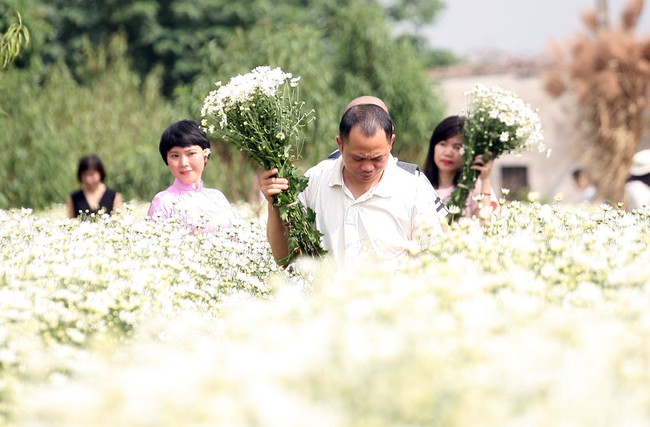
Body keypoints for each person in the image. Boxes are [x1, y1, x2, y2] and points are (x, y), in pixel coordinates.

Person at [259, 98, 448, 268]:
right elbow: (285, 258)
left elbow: (432, 261)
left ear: (391, 142)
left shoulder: (412, 189)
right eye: (358, 158)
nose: (367, 167)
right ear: (340, 144)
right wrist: (274, 204)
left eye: (377, 158)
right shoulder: (314, 181)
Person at [147, 120, 237, 232]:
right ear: (167, 160)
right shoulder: (163, 202)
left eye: (191, 154)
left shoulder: (217, 198)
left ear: (205, 155)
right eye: (175, 156)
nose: (183, 163)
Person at [422, 115, 498, 220]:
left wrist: (486, 179)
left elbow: (486, 225)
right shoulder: (419, 185)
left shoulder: (474, 187)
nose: (448, 152)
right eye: (443, 144)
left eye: (458, 147)